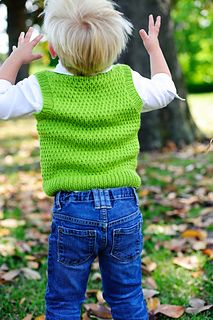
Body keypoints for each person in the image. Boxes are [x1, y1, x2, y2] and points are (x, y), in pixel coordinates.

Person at [0, 0, 183, 319]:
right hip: (124, 208)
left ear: (53, 49)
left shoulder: (44, 87)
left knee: (64, 301)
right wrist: (153, 49)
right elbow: (166, 91)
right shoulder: (128, 81)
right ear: (115, 47)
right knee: (127, 295)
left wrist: (15, 58)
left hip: (73, 211)